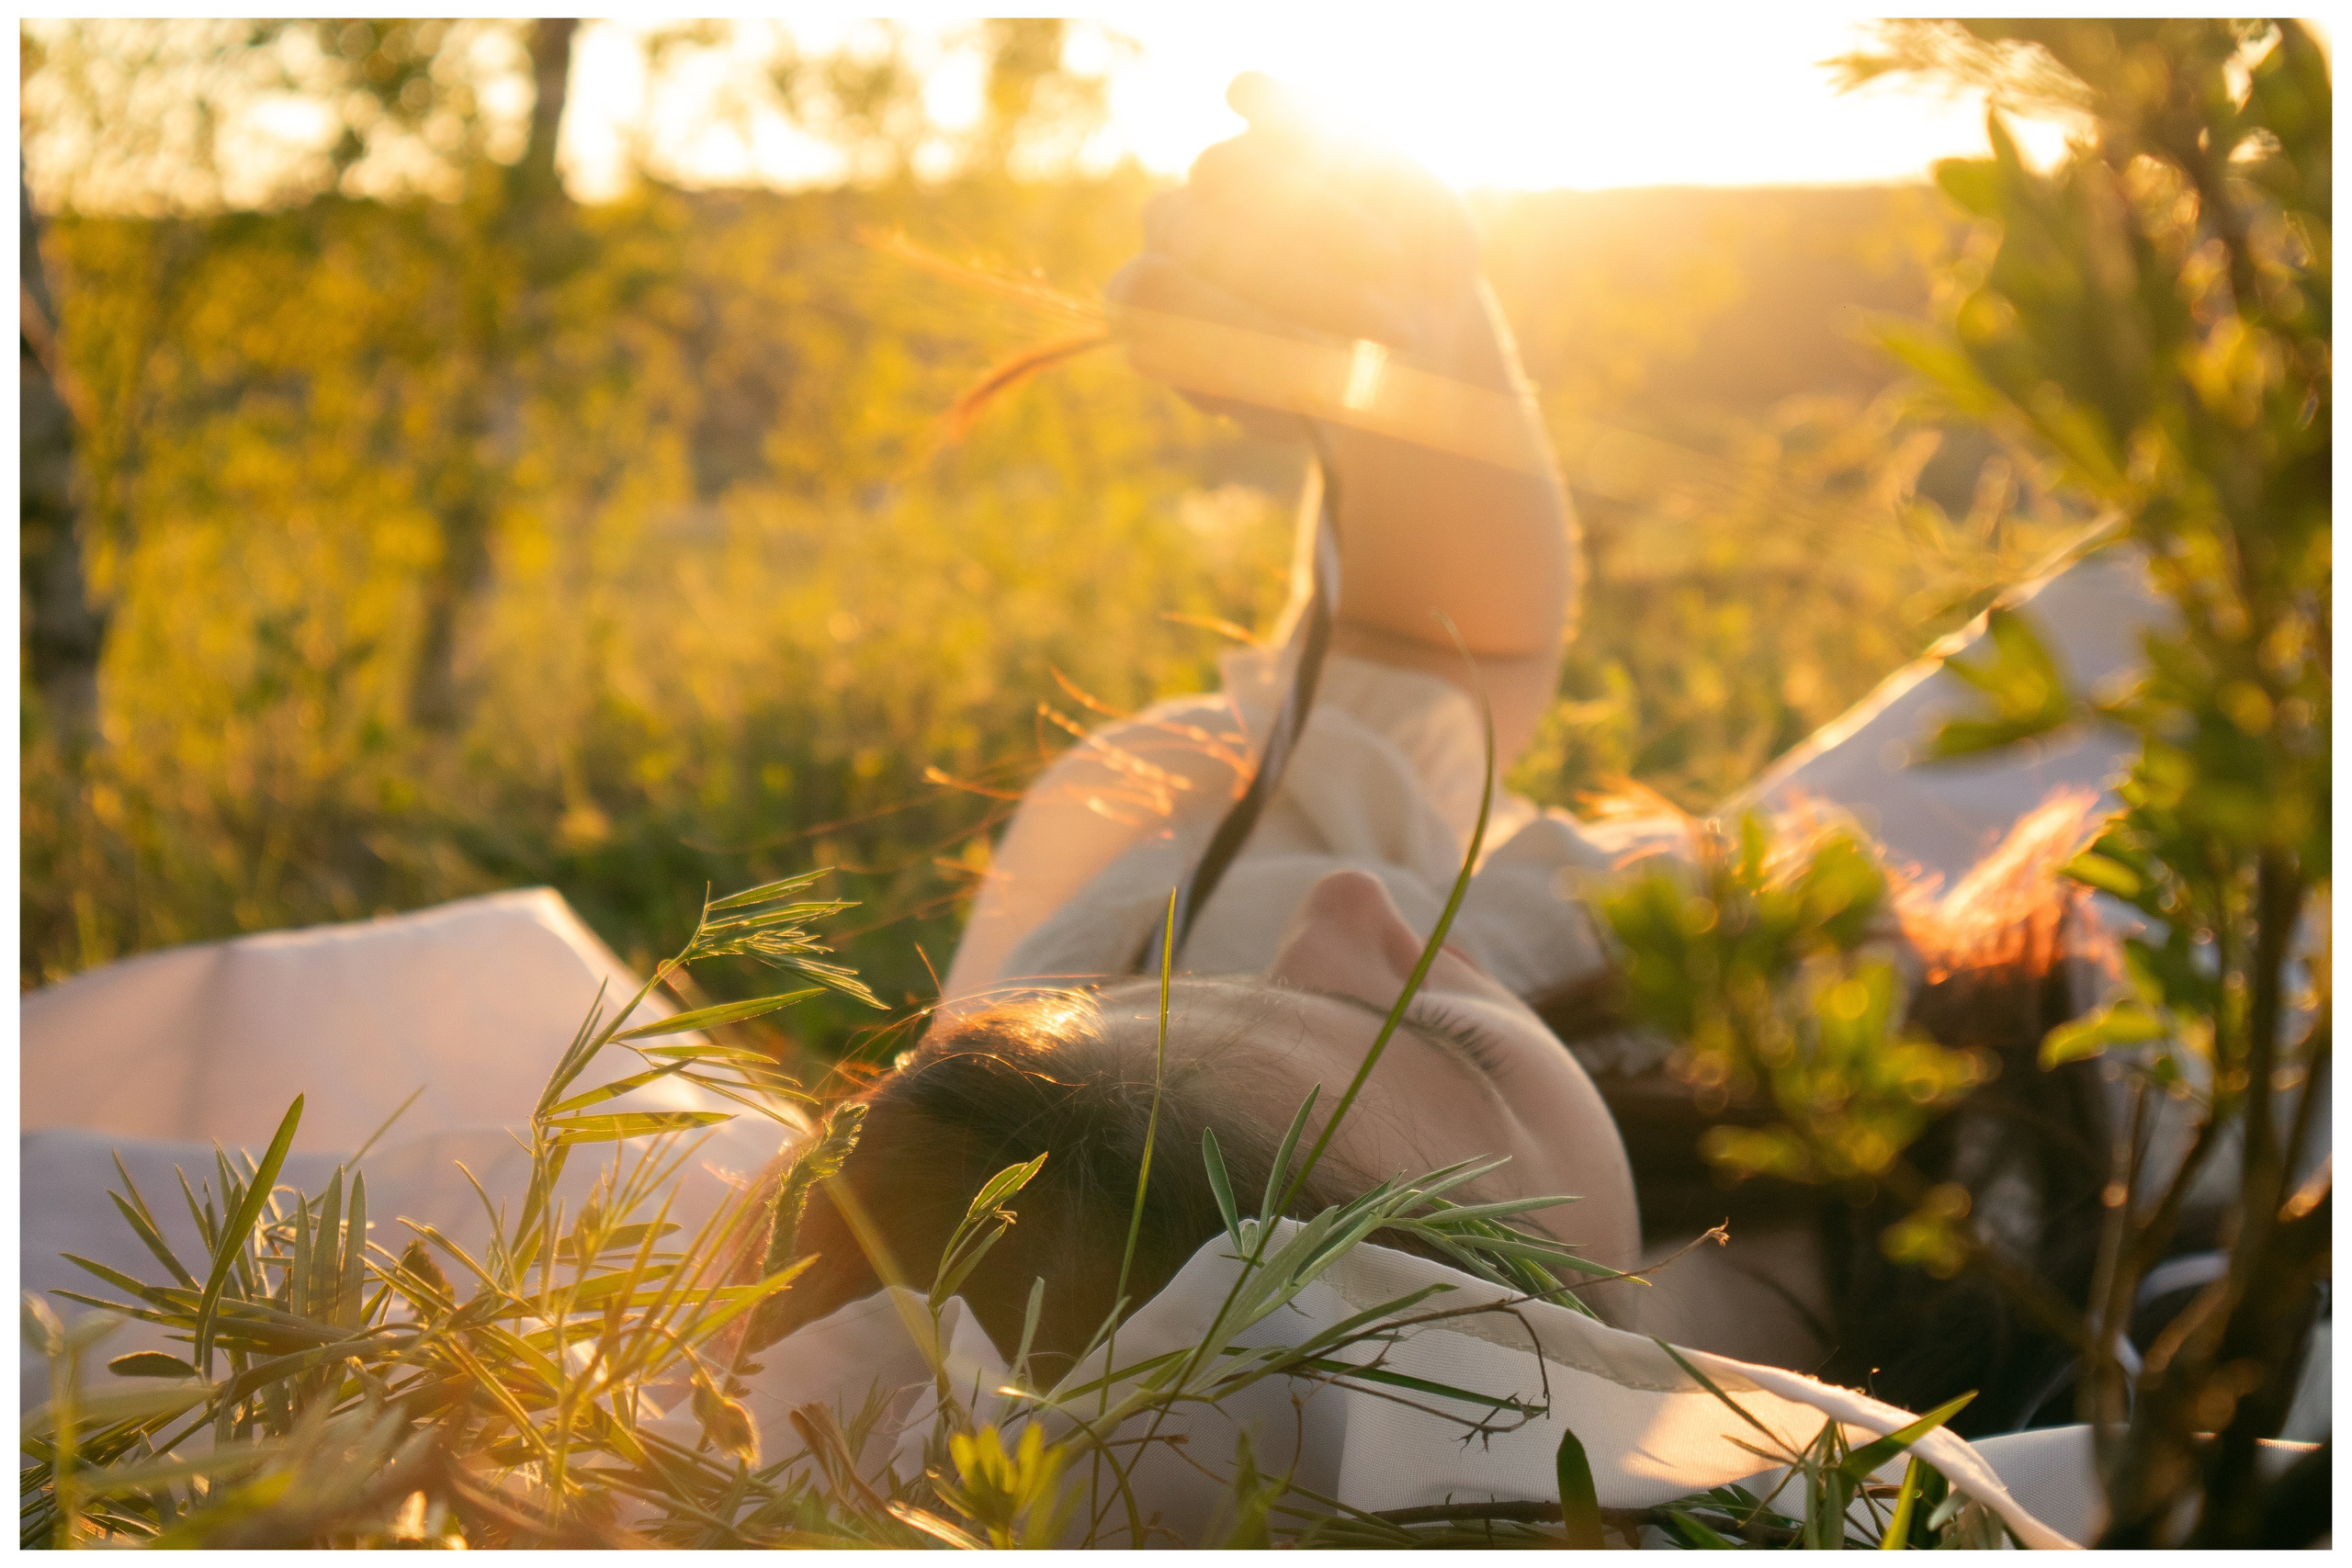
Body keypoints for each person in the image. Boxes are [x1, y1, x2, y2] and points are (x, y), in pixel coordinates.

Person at [755, 76, 2125, 1437]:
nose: (1349, 913)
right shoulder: (2076, 1381)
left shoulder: (1082, 1086)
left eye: (1233, 976)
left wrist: (1408, 329)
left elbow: (1425, 640)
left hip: (1987, 770)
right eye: (1451, 1045)